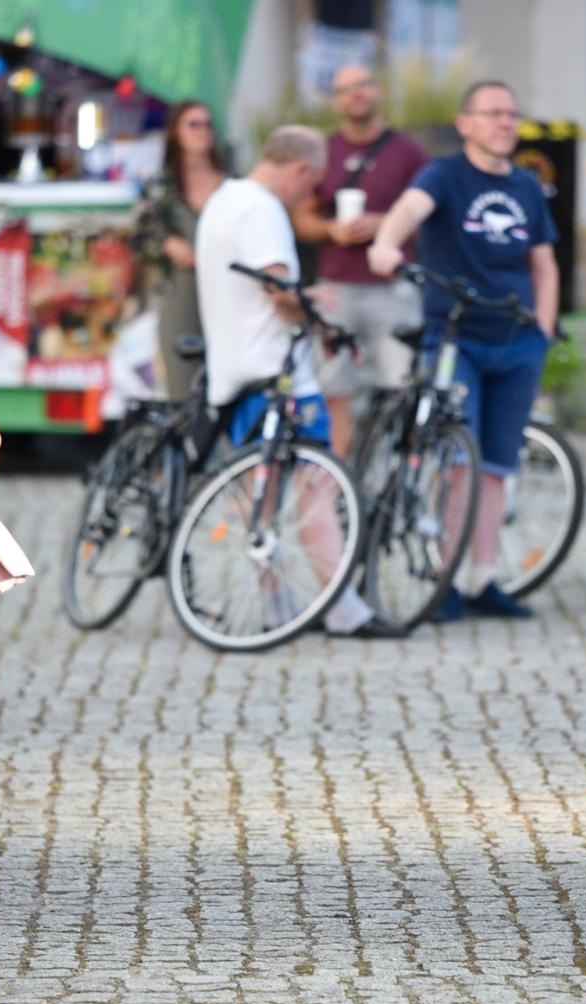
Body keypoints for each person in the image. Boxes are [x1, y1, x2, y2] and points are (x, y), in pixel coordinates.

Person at [195, 124, 405, 639]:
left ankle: (276, 605)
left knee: (260, 495)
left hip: (233, 370)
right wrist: (316, 313)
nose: (308, 196)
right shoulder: (264, 211)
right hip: (277, 371)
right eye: (312, 185)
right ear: (301, 170)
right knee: (318, 484)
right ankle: (343, 608)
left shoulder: (223, 200)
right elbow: (278, 291)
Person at [368, 80, 560, 620]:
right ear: (465, 123)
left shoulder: (525, 186)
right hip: (458, 341)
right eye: (492, 113)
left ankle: (481, 580)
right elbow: (409, 209)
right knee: (458, 462)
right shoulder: (444, 175)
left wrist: (543, 332)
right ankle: (445, 578)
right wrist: (385, 242)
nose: (505, 122)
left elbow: (544, 264)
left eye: (511, 113)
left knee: (496, 467)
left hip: (517, 342)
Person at [291, 64, 431, 456]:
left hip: (392, 287)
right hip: (337, 286)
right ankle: (336, 478)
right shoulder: (324, 152)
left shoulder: (408, 153)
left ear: (378, 90)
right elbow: (302, 215)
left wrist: (385, 225)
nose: (357, 94)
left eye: (364, 84)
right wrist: (331, 229)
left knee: (403, 387)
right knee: (334, 388)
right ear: (335, 101)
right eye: (346, 88)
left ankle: (397, 475)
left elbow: (429, 216)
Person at [134, 100, 228, 398]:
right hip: (182, 288)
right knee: (183, 380)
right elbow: (141, 235)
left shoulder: (231, 183)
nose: (202, 131)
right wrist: (166, 243)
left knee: (227, 378)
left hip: (226, 289)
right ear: (175, 132)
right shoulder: (161, 182)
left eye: (207, 124)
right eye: (193, 124)